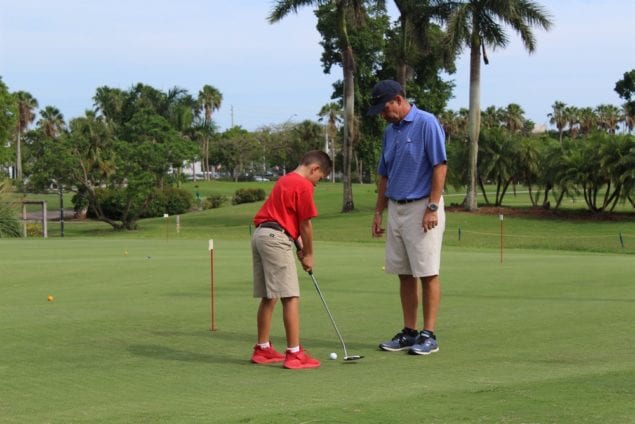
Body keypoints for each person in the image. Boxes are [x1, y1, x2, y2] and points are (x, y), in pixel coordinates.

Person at [368, 80, 448, 356]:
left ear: (399, 99)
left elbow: (440, 165)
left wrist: (433, 207)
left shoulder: (427, 123)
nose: (382, 114)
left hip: (422, 207)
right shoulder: (390, 131)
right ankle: (409, 331)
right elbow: (384, 174)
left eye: (385, 107)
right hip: (396, 207)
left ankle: (429, 334)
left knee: (426, 272)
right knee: (403, 273)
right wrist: (379, 211)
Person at [250, 150, 333, 369]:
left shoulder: (284, 180)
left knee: (270, 296)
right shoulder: (304, 185)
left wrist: (299, 247)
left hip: (261, 235)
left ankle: (263, 349)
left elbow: (287, 219)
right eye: (320, 178)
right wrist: (309, 254)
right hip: (276, 238)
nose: (317, 184)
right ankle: (295, 354)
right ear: (314, 169)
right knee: (291, 296)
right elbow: (305, 225)